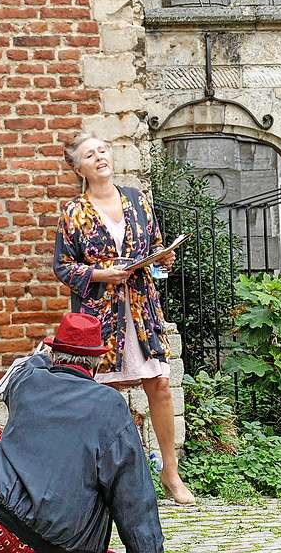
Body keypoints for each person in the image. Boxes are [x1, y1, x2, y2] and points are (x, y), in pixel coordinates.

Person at [0, 312, 164, 553]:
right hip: (54, 543)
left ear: (53, 355)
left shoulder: (27, 380)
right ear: (97, 364)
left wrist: (45, 356)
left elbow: (31, 363)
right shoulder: (111, 405)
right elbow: (134, 498)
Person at [52, 132, 195, 506]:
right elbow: (63, 268)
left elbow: (156, 252)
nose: (100, 157)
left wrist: (164, 261)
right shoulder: (74, 213)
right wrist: (100, 275)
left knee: (160, 385)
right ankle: (108, 479)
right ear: (77, 167)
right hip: (101, 315)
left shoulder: (138, 200)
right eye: (89, 154)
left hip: (141, 307)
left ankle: (170, 471)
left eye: (103, 150)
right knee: (107, 395)